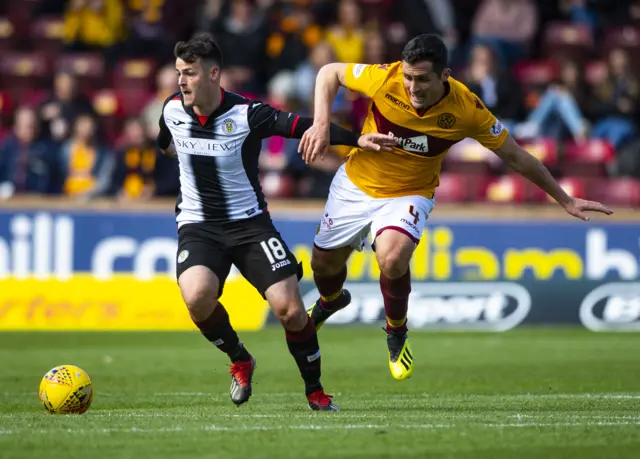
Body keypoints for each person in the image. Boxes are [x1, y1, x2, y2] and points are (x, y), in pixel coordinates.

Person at [298, 34, 613, 382]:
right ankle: (330, 300)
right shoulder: (384, 77)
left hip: (409, 193)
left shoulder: (466, 108)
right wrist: (321, 123)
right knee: (323, 265)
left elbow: (515, 156)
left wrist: (564, 198)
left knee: (391, 256)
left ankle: (396, 331)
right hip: (356, 184)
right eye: (408, 77)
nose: (412, 86)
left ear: (444, 74)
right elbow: (329, 72)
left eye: (422, 79)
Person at [156, 33, 396, 411]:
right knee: (197, 298)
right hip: (199, 226)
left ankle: (315, 391)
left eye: (189, 73)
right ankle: (240, 359)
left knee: (289, 309)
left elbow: (303, 126)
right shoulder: (171, 110)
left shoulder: (247, 113)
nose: (181, 81)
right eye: (178, 73)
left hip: (250, 225)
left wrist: (355, 140)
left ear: (213, 74)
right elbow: (166, 143)